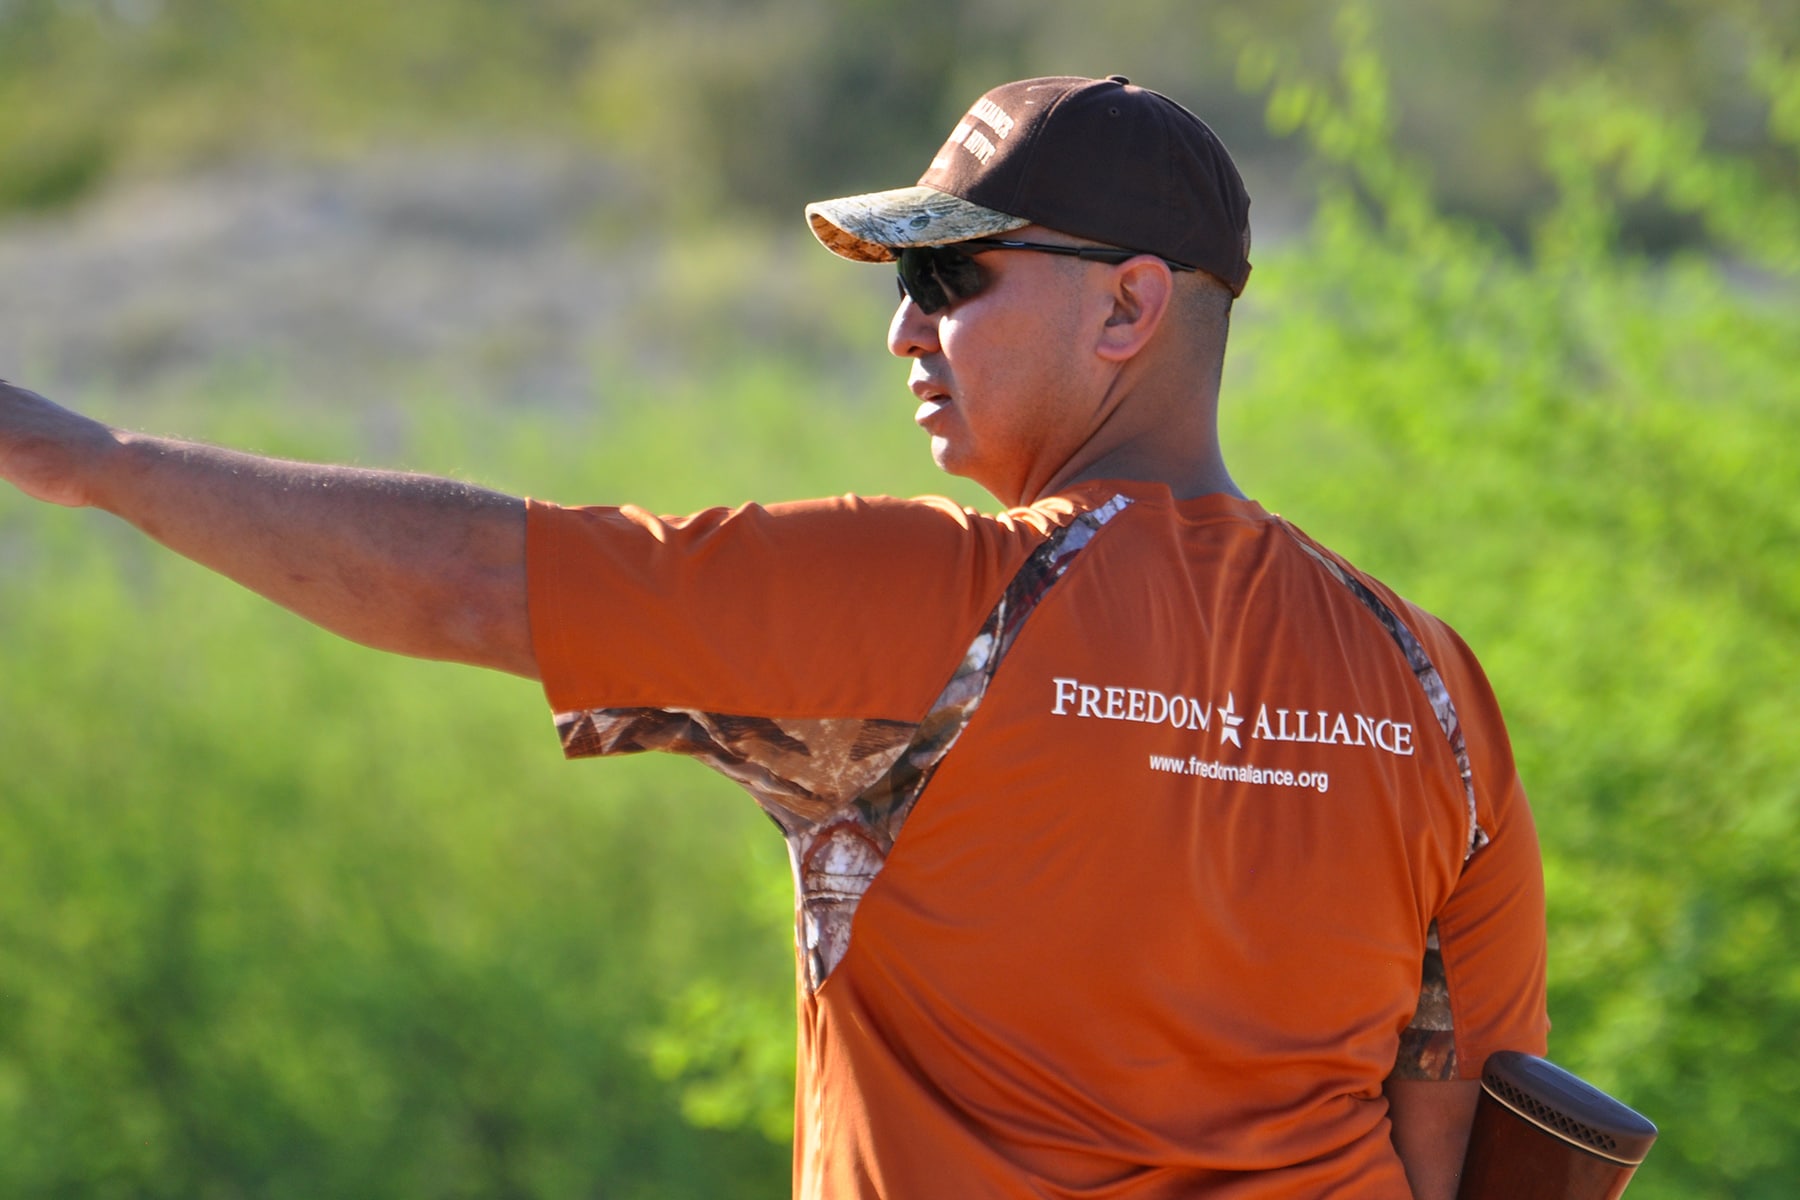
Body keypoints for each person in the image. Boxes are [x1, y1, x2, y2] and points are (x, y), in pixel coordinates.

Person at [0, 75, 1547, 1199]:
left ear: (1130, 310)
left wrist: (96, 464)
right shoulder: (1432, 684)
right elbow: (1460, 1138)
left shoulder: (938, 603)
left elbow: (472, 581)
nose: (904, 329)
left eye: (948, 274)